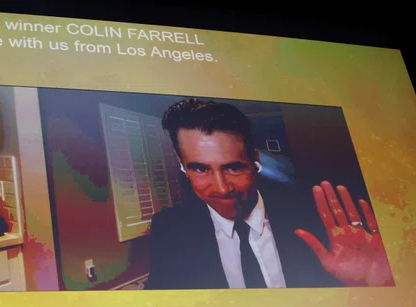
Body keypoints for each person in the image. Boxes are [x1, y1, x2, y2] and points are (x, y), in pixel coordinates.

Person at [145, 97, 393, 290]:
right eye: (200, 168)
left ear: (254, 159)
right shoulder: (169, 229)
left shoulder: (318, 219)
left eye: (233, 167)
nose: (221, 188)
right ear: (181, 163)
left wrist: (370, 288)